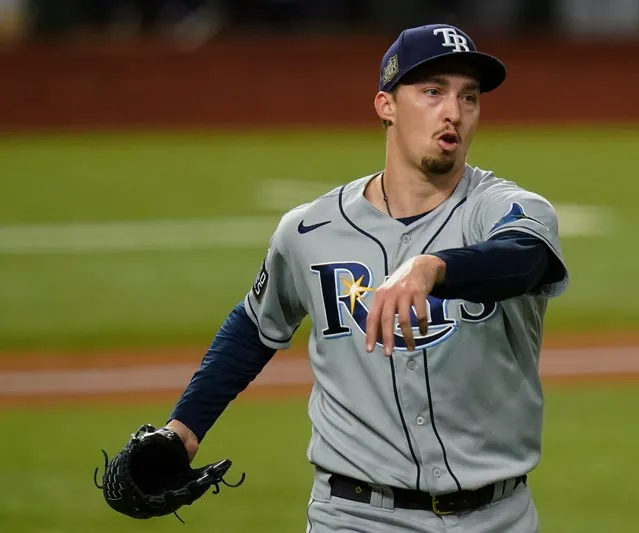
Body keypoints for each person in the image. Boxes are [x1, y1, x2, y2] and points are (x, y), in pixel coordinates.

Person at [165, 23, 569, 533]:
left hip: (496, 518)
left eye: (469, 97)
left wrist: (432, 267)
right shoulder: (310, 230)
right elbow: (254, 326)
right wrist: (184, 427)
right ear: (386, 105)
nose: (453, 111)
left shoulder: (504, 209)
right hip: (354, 516)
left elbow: (525, 258)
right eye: (432, 92)